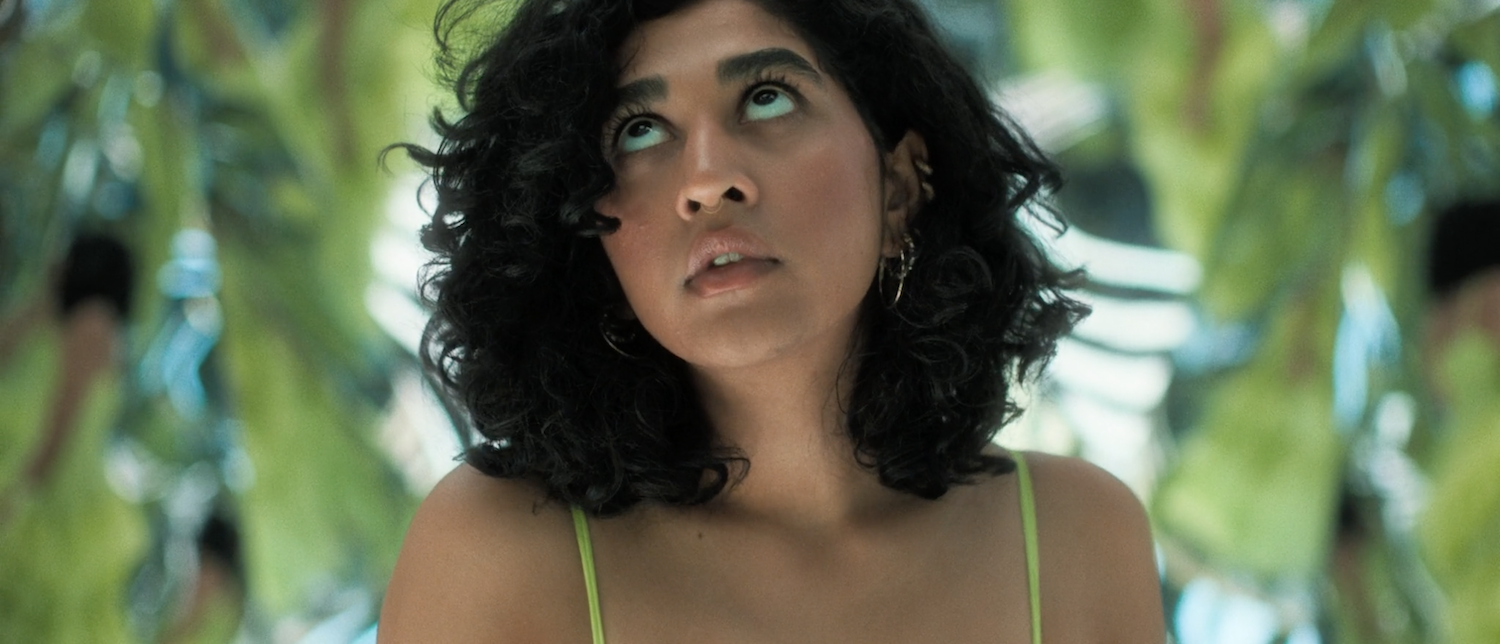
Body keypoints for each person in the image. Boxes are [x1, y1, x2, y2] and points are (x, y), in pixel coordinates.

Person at [380, 0, 1165, 641]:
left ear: (899, 186)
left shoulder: (1079, 537)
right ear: (589, 235)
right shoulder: (495, 551)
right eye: (638, 130)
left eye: (766, 98)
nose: (708, 180)